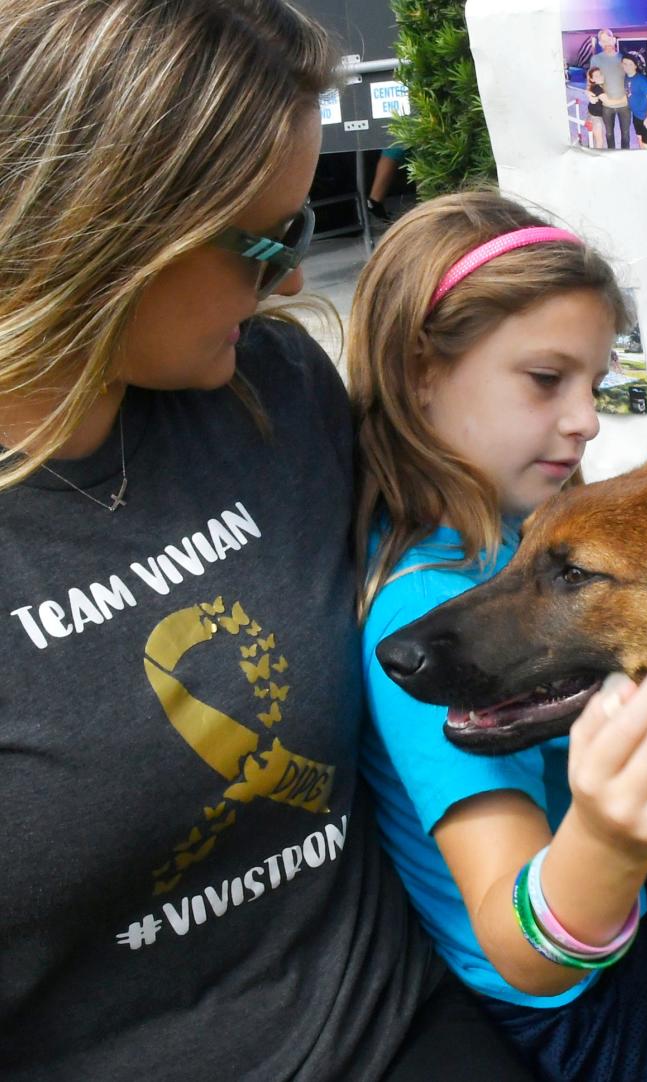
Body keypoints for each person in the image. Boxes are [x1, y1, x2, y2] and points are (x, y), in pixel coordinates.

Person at [0, 4, 538, 1080]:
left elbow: (457, 541)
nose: (296, 279)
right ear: (95, 226)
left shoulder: (274, 392)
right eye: (265, 242)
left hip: (391, 1024)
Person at [350, 189, 647, 1082]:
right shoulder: (432, 628)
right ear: (420, 371)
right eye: (545, 380)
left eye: (596, 384)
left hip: (610, 910)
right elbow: (520, 942)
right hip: (583, 1014)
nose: (588, 419)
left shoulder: (483, 533)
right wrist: (609, 837)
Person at [589, 29, 631, 150]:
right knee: (609, 134)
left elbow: (632, 78)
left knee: (625, 135)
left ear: (613, 40)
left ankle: (624, 157)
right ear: (600, 44)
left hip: (624, 104)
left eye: (608, 39)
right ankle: (612, 155)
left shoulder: (624, 58)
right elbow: (591, 80)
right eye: (603, 41)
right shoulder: (595, 59)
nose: (606, 43)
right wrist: (587, 92)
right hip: (606, 105)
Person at [621, 54, 647, 149]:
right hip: (636, 116)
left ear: (635, 66)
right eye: (625, 63)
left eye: (630, 64)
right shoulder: (625, 77)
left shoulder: (643, 81)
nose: (627, 66)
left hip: (646, 116)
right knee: (639, 140)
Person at [584, 67, 610, 148]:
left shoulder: (599, 86)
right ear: (592, 79)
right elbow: (608, 101)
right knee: (599, 141)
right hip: (595, 118)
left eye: (600, 74)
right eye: (596, 76)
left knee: (594, 138)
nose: (600, 77)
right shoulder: (597, 88)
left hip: (593, 114)